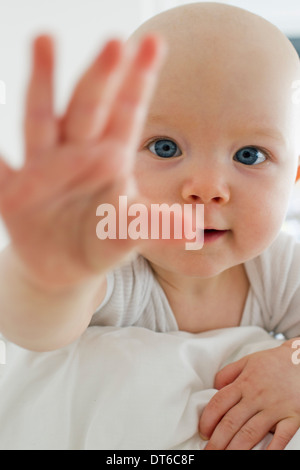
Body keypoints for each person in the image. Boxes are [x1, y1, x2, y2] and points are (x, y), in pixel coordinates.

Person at [0, 1, 300, 450]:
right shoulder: (116, 259)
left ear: (294, 175)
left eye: (249, 155)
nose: (206, 188)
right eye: (164, 147)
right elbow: (34, 329)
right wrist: (50, 274)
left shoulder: (278, 267)